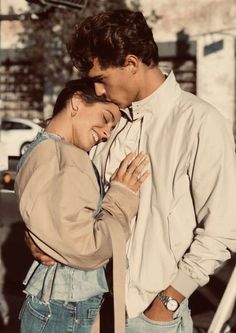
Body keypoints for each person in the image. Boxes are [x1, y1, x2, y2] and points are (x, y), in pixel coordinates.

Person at [27, 9, 236, 333]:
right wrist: (40, 236)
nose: (96, 91)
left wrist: (168, 301)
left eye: (101, 79)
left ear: (131, 64)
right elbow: (67, 198)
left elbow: (222, 229)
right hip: (87, 309)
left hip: (151, 315)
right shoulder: (107, 123)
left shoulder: (199, 123)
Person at [14, 78, 149, 333]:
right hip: (65, 307)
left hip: (59, 304)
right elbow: (88, 248)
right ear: (76, 102)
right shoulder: (63, 156)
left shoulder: (45, 149)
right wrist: (121, 196)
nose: (107, 133)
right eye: (106, 117)